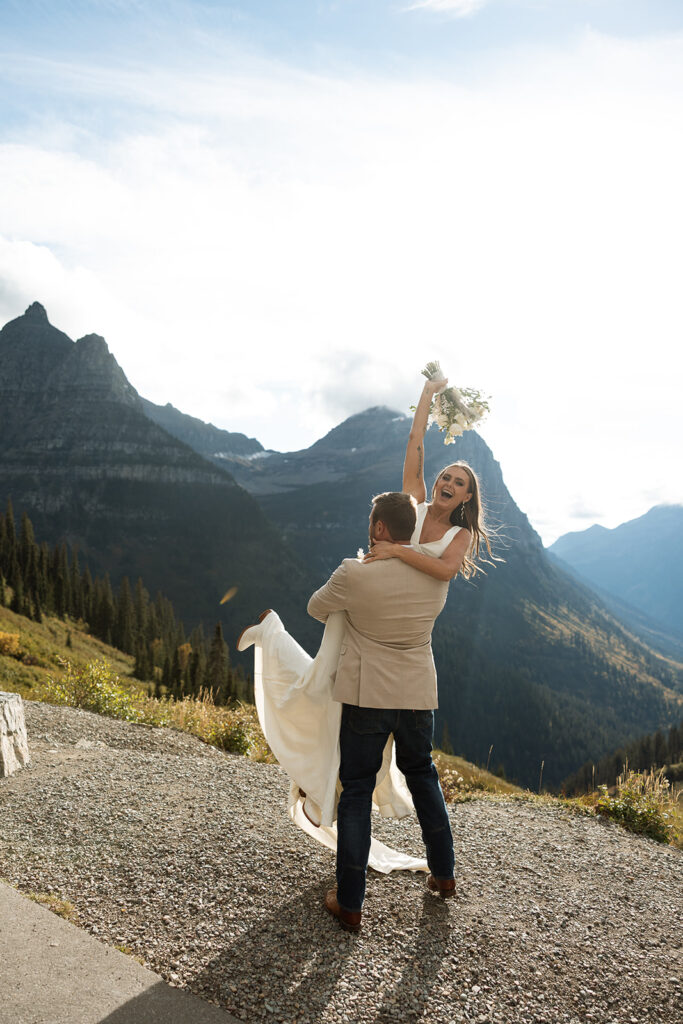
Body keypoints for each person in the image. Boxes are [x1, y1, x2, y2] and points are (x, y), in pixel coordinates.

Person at [236, 371, 490, 875]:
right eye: (445, 477)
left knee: (401, 769)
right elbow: (414, 446)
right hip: (404, 664)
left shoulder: (458, 536)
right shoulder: (415, 507)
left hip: (394, 657)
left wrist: (395, 549)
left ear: (466, 498)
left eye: (458, 484)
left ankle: (428, 871)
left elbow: (442, 569)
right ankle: (441, 874)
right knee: (419, 771)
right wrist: (427, 395)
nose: (446, 484)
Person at [308, 490, 458, 932]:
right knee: (423, 776)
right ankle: (444, 875)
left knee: (356, 792)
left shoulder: (353, 572)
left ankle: (350, 903)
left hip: (366, 693)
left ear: (378, 528)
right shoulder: (436, 578)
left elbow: (316, 608)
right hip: (416, 695)